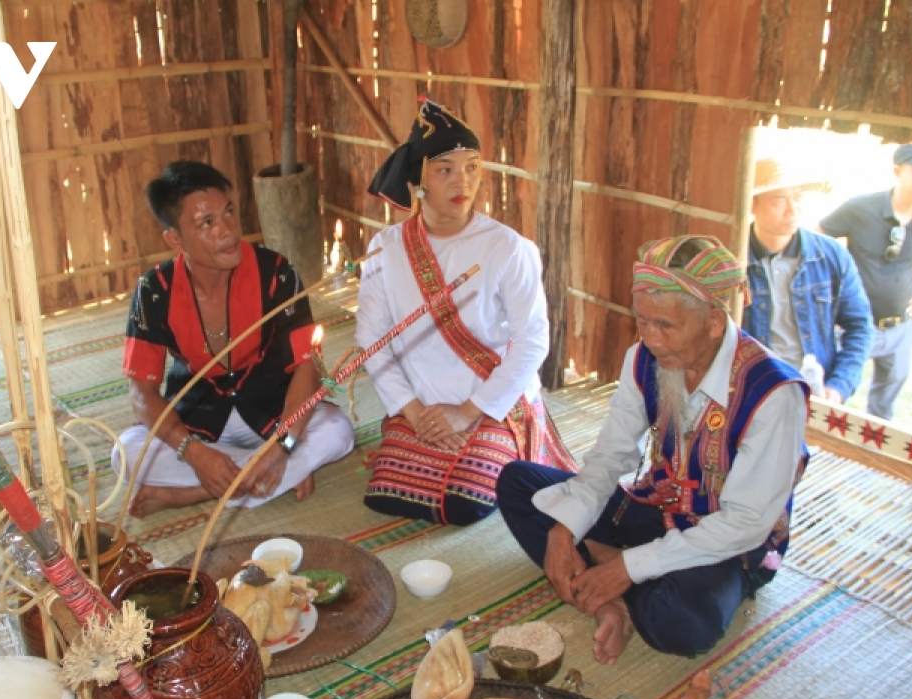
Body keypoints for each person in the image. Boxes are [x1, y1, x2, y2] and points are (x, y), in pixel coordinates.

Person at [496, 236, 809, 666]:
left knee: (684, 622)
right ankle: (613, 597)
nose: (651, 338)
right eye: (642, 320)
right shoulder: (642, 357)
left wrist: (626, 567)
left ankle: (617, 578)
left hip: (724, 545)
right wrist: (564, 529)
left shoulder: (773, 394)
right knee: (518, 483)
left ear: (714, 321)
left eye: (665, 325)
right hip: (655, 509)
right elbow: (611, 456)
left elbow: (746, 524)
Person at [356, 98, 575, 526]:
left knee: (463, 501)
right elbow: (371, 340)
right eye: (445, 170)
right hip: (422, 406)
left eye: (472, 167)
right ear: (419, 181)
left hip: (490, 402)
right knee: (387, 494)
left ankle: (498, 446)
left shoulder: (507, 248)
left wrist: (467, 412)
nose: (464, 181)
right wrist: (415, 412)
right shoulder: (385, 248)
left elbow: (533, 341)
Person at [114, 161, 354, 518]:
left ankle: (194, 493)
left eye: (228, 212)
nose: (227, 230)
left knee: (338, 432)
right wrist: (195, 454)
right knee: (125, 453)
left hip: (273, 419)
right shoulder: (154, 290)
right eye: (206, 223)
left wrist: (282, 447)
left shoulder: (276, 274)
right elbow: (141, 392)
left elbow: (307, 368)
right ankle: (271, 479)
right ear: (175, 238)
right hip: (199, 427)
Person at [818, 143, 912, 420]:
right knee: (832, 397)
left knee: (882, 412)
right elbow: (815, 240)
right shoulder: (861, 208)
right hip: (852, 326)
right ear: (898, 172)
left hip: (901, 328)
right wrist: (828, 295)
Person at [743, 157, 873, 403]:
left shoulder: (831, 255)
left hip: (812, 391)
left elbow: (860, 326)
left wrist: (839, 386)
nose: (793, 210)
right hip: (750, 392)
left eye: (798, 197)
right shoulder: (732, 259)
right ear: (752, 204)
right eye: (779, 200)